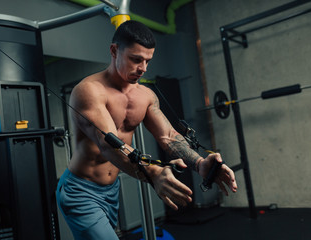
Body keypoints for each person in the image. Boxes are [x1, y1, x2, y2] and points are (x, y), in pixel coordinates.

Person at [56, 20, 237, 240]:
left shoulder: (146, 95)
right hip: (80, 191)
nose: (143, 68)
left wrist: (199, 163)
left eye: (147, 61)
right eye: (136, 59)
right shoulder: (89, 91)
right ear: (114, 50)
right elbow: (108, 145)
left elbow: (169, 137)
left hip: (111, 191)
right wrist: (152, 173)